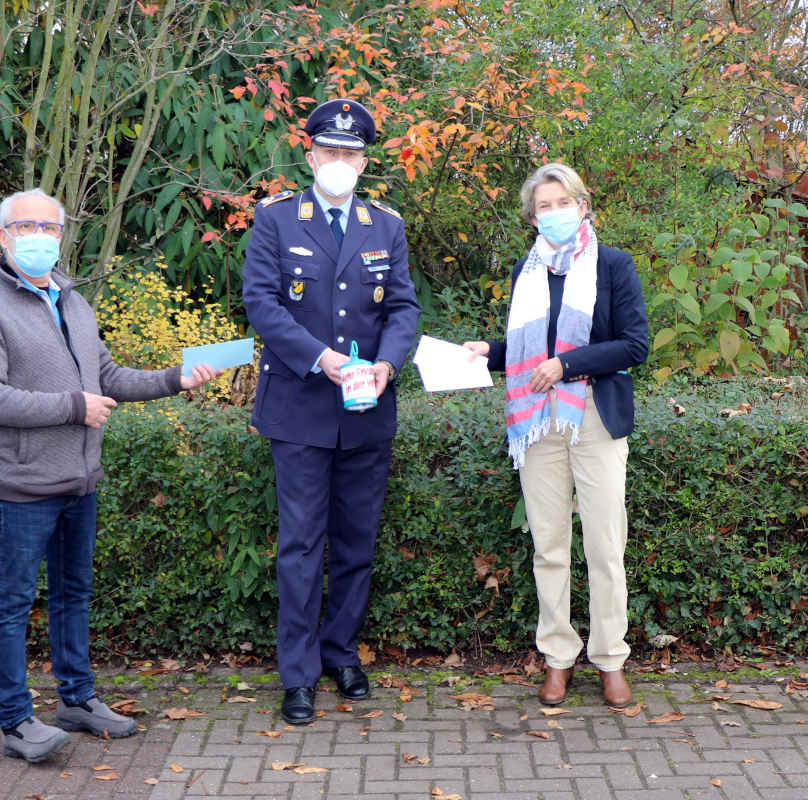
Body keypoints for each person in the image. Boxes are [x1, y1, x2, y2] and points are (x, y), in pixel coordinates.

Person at [0, 188, 218, 762]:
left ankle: (75, 700)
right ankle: (16, 721)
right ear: (2, 236)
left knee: (73, 594)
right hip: (21, 485)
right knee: (13, 603)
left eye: (50, 229)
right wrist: (74, 406)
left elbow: (109, 377)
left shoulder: (73, 301)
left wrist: (177, 378)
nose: (40, 238)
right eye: (27, 227)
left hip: (79, 480)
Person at [242, 99, 421, 724]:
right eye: (330, 152)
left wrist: (389, 364)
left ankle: (340, 653)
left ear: (364, 160)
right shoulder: (277, 220)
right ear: (311, 155)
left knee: (355, 543)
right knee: (299, 545)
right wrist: (321, 359)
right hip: (299, 407)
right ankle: (297, 674)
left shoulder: (385, 226)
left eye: (351, 153)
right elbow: (262, 306)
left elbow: (403, 310)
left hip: (368, 407)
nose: (340, 162)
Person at [464, 163, 648, 708]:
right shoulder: (529, 273)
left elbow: (634, 345)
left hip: (594, 414)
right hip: (536, 420)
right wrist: (489, 354)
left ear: (583, 206)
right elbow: (527, 353)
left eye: (562, 202)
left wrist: (568, 365)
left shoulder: (614, 266)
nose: (554, 213)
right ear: (533, 217)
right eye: (543, 206)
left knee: (604, 544)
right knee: (549, 546)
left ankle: (611, 658)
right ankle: (558, 658)